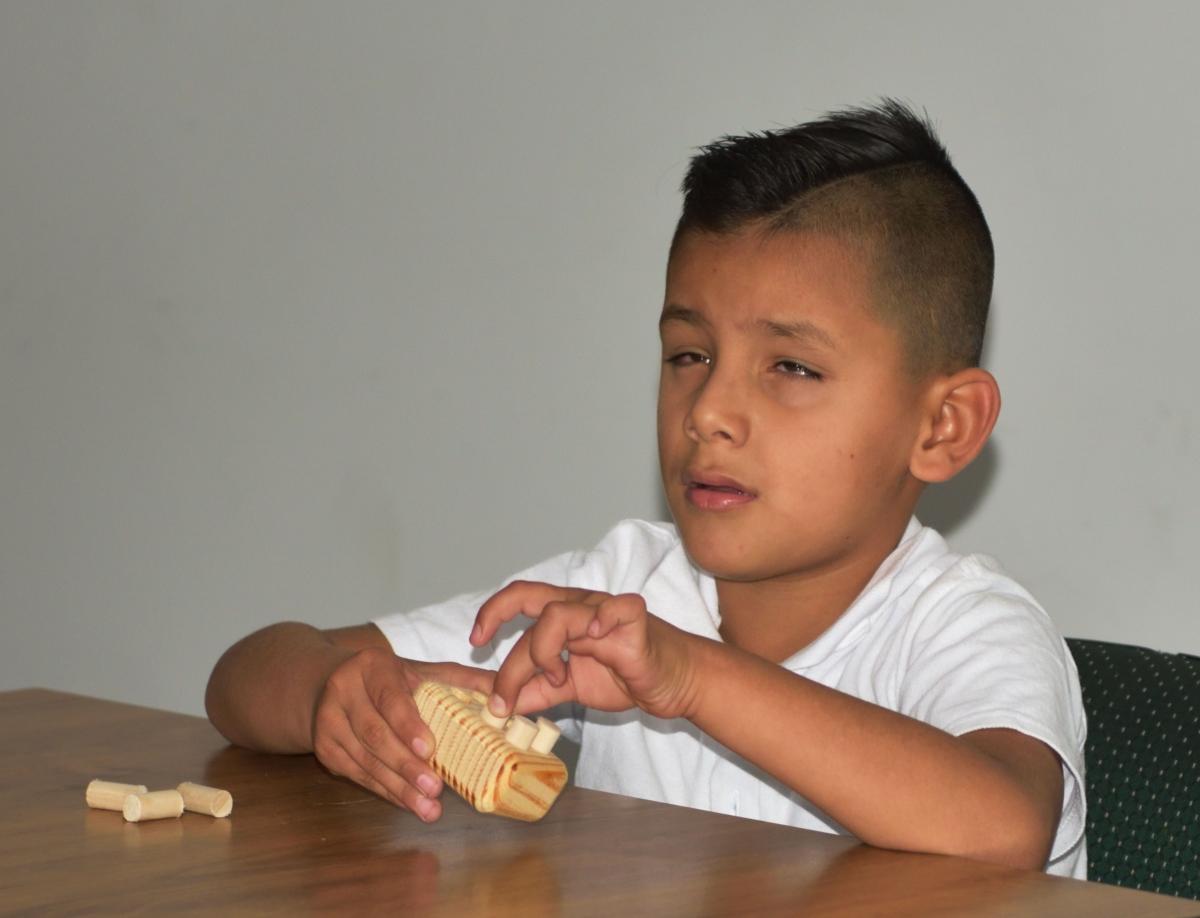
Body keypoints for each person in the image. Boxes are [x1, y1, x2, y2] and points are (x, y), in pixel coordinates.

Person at [205, 99, 1087, 878]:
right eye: (689, 356)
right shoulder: (628, 586)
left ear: (943, 427)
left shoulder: (966, 626)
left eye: (790, 366)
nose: (708, 411)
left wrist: (690, 676)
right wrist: (334, 696)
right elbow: (243, 677)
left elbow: (1002, 827)